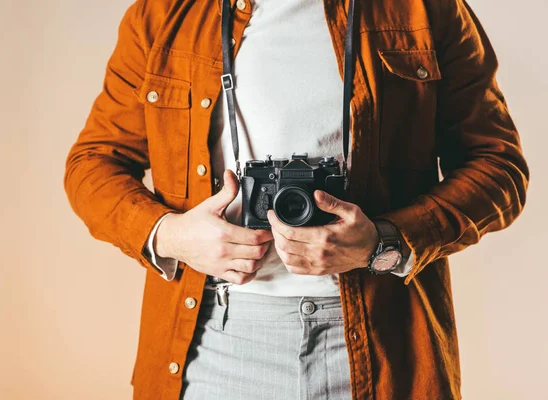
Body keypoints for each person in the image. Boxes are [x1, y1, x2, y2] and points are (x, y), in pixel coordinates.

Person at [64, 0, 529, 398]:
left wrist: (381, 242)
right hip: (212, 343)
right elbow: (92, 164)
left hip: (384, 346)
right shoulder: (166, 14)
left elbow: (499, 166)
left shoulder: (423, 10)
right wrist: (172, 234)